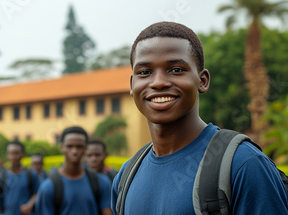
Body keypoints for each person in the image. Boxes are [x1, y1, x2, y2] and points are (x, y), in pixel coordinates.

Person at [110, 22, 288, 214]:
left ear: (202, 81)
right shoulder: (126, 177)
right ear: (132, 84)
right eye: (144, 72)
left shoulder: (244, 164)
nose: (159, 82)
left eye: (176, 69)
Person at [35, 126, 112, 215]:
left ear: (86, 148)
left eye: (79, 146)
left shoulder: (101, 182)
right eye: (69, 146)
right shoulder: (48, 187)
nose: (74, 151)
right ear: (61, 147)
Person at [0, 141, 39, 215]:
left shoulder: (31, 174)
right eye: (11, 153)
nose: (13, 156)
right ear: (7, 155)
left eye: (16, 153)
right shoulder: (0, 177)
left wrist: (29, 205)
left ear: (23, 154)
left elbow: (36, 193)